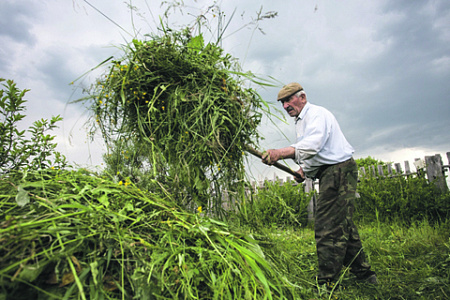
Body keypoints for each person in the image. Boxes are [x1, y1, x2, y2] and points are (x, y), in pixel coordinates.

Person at [262, 82, 377, 286]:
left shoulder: (316, 114)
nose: (286, 105)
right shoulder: (301, 121)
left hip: (339, 170)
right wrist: (304, 171)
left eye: (289, 100)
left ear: (302, 97)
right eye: (282, 102)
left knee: (328, 226)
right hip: (330, 171)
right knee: (343, 225)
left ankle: (327, 282)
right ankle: (365, 275)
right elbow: (316, 154)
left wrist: (280, 153)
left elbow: (313, 144)